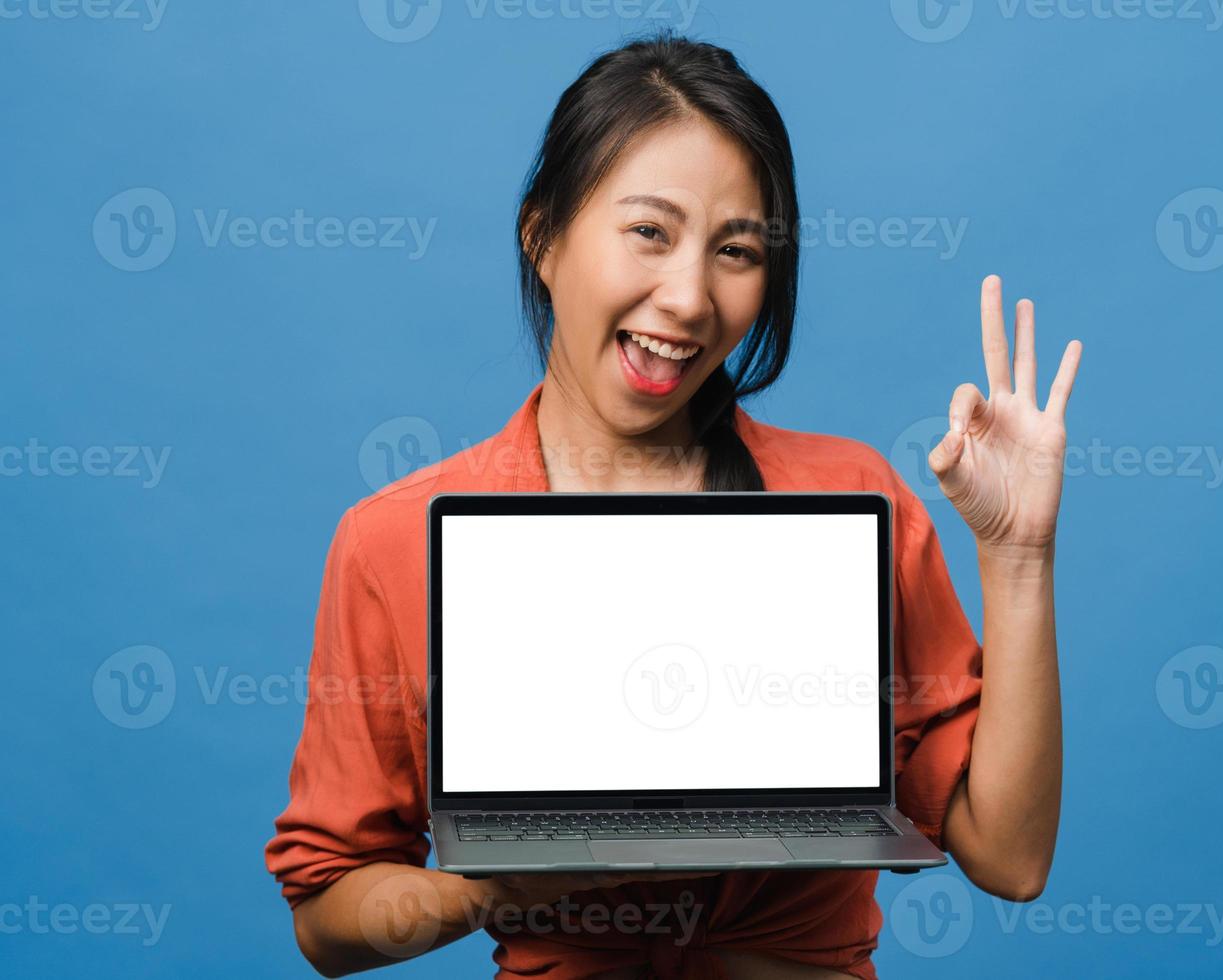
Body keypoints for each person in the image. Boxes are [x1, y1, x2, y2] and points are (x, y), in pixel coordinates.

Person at [265, 30, 1080, 979]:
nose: (690, 298)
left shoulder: (853, 500)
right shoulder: (393, 541)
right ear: (544, 235)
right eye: (648, 231)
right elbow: (327, 918)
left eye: (735, 250)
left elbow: (1012, 858)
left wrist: (1018, 555)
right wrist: (501, 888)